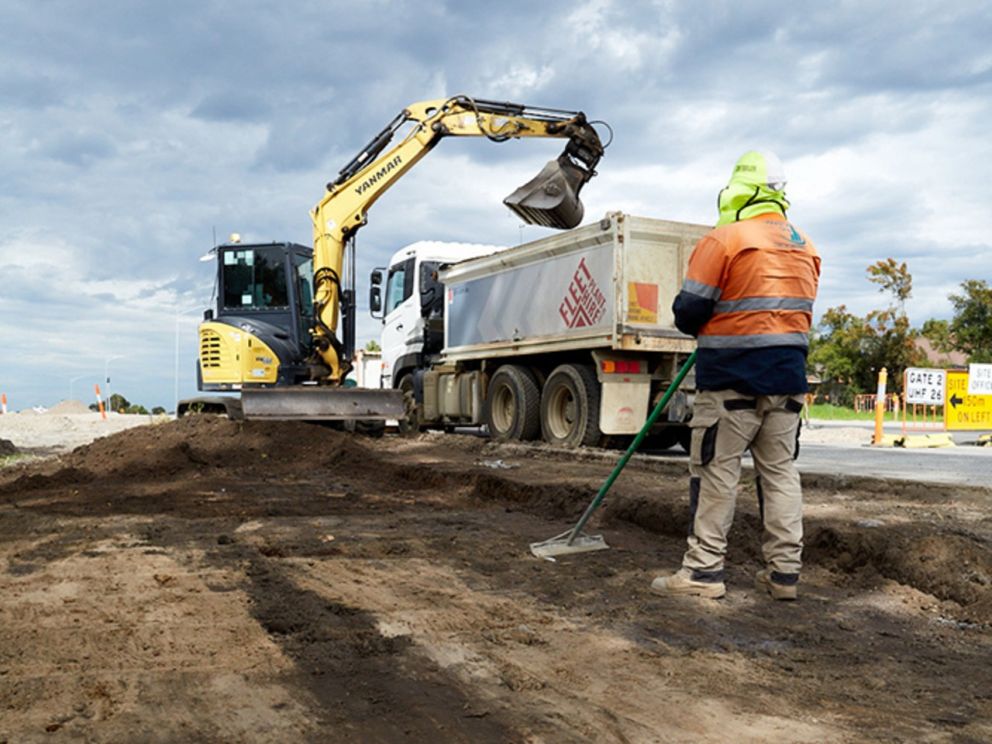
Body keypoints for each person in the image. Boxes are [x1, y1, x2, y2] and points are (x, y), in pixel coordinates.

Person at [651, 151, 821, 601]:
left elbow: (689, 311)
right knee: (780, 473)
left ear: (738, 189)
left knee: (715, 473)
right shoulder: (807, 245)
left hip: (730, 382)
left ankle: (703, 573)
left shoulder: (724, 239)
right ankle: (785, 575)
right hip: (788, 383)